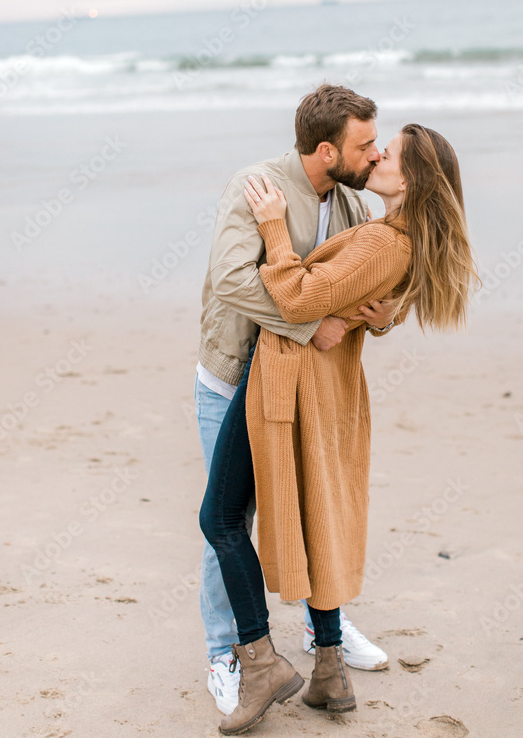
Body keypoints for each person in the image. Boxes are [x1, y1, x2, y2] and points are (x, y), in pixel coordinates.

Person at [200, 123, 480, 735]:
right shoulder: (387, 231)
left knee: (220, 519)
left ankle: (260, 660)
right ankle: (329, 668)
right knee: (317, 510)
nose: (378, 155)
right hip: (315, 379)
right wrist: (373, 314)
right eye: (374, 145)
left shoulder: (384, 240)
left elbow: (300, 300)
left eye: (390, 153)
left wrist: (275, 227)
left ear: (411, 179)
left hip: (282, 376)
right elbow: (357, 294)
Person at [195, 85, 398, 715]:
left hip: (302, 385)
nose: (374, 155)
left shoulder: (351, 206)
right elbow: (233, 282)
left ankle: (321, 636)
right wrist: (310, 325)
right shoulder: (258, 188)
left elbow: (360, 291)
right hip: (233, 376)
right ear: (326, 148)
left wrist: (383, 316)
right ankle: (227, 652)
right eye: (365, 145)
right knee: (229, 518)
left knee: (314, 504)